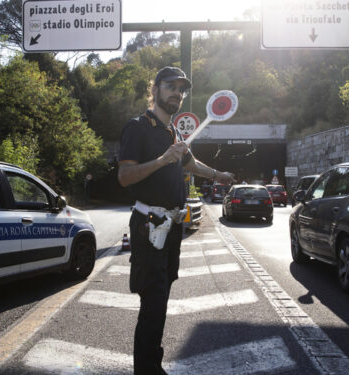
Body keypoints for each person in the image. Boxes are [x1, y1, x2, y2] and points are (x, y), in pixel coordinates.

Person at [118, 66, 235, 374]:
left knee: (163, 295)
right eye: (170, 86)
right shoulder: (137, 127)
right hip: (148, 224)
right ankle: (147, 369)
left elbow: (190, 162)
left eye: (182, 89)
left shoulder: (176, 132)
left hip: (172, 226)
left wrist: (217, 174)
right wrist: (162, 160)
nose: (177, 93)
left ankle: (152, 363)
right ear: (154, 89)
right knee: (153, 301)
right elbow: (125, 176)